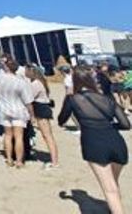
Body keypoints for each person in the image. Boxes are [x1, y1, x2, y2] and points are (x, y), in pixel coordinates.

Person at [58, 66, 130, 214]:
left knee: (109, 189)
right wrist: (108, 125)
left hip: (94, 143)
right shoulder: (107, 99)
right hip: (116, 142)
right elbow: (126, 124)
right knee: (113, 184)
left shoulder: (72, 99)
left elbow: (61, 120)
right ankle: (114, 208)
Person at [25, 65, 59, 169]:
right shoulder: (40, 82)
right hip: (42, 108)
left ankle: (54, 162)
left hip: (41, 109)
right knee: (47, 136)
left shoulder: (36, 84)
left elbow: (29, 97)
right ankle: (54, 160)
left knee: (47, 136)